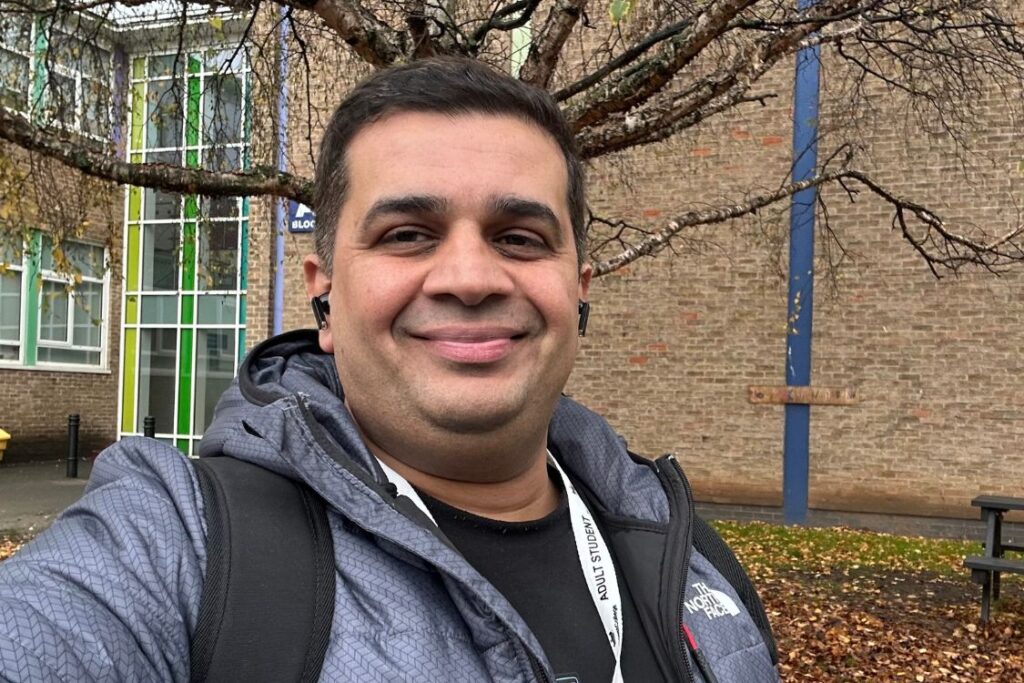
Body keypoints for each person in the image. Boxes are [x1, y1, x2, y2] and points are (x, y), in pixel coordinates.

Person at [0, 57, 778, 682]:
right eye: (408, 233)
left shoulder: (685, 552)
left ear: (577, 289)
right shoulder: (181, 544)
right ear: (325, 293)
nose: (470, 277)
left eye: (519, 237)